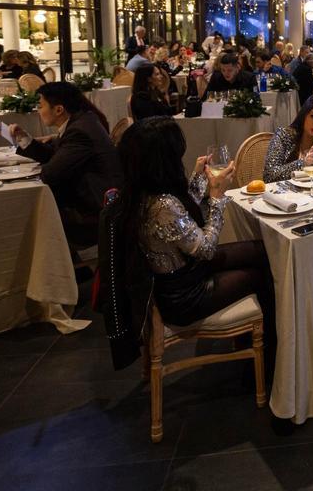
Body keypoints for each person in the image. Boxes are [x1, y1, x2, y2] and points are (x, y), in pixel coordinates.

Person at [106, 116, 275, 363]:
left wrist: (198, 180)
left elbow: (179, 226)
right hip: (184, 296)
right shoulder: (161, 203)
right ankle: (266, 360)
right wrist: (217, 197)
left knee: (262, 251)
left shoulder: (141, 191)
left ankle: (254, 344)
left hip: (180, 274)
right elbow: (205, 248)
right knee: (262, 274)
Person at [9, 82, 122, 247]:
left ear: (59, 109)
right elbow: (54, 157)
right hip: (95, 203)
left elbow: (51, 173)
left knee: (26, 218)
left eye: (40, 106)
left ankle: (58, 267)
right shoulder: (82, 121)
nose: (38, 111)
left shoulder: (79, 131)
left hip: (93, 213)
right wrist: (24, 139)